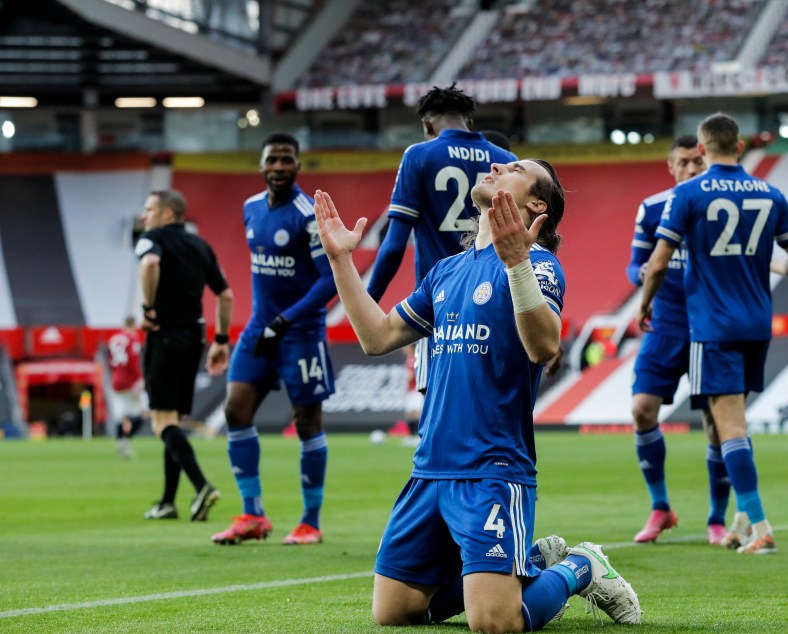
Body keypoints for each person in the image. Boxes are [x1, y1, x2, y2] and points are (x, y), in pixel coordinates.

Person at [313, 158, 641, 631]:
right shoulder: (447, 271)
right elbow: (377, 337)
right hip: (429, 469)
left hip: (492, 468)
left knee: (495, 624)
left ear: (535, 203)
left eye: (515, 167)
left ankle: (581, 566)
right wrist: (341, 259)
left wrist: (516, 264)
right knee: (394, 613)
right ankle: (526, 559)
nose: (495, 163)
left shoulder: (540, 266)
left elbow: (544, 346)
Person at [639, 113, 788, 555]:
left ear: (701, 149)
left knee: (727, 425)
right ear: (739, 146)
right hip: (757, 324)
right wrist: (773, 265)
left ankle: (761, 527)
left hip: (713, 326)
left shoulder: (689, 194)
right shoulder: (771, 193)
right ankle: (736, 521)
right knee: (732, 426)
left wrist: (643, 304)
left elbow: (657, 263)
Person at [211, 132, 338, 546]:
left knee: (306, 422)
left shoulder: (307, 215)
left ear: (299, 165)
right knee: (235, 410)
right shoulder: (250, 209)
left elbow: (328, 282)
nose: (279, 167)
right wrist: (268, 324)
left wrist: (285, 321)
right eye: (272, 160)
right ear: (262, 164)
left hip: (299, 332)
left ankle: (310, 522)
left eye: (287, 160)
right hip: (257, 329)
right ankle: (253, 515)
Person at [366, 84, 517, 395]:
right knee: (485, 400)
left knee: (437, 406)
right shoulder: (505, 160)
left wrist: (368, 301)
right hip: (494, 296)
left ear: (428, 126)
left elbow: (394, 245)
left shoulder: (419, 155)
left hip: (439, 301)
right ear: (470, 123)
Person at [626, 135, 735, 545]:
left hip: (710, 327)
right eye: (684, 162)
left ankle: (716, 518)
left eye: (698, 161)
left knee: (714, 425)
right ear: (671, 167)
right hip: (666, 325)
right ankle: (660, 507)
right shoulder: (653, 208)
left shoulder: (720, 210)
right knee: (641, 409)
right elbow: (634, 265)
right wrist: (645, 278)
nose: (692, 168)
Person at [137, 189, 232, 521]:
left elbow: (149, 263)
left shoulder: (152, 238)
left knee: (161, 422)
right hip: (195, 337)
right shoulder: (200, 245)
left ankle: (202, 485)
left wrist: (149, 309)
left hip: (164, 335)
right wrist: (221, 339)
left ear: (166, 214)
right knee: (175, 419)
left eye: (149, 209)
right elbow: (226, 295)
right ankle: (167, 501)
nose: (144, 216)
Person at [107, 316, 147, 459]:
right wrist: (138, 379)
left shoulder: (113, 339)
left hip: (116, 379)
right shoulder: (133, 339)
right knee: (144, 412)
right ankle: (125, 440)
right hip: (130, 380)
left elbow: (111, 361)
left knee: (122, 415)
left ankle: (121, 442)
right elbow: (133, 360)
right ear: (134, 325)